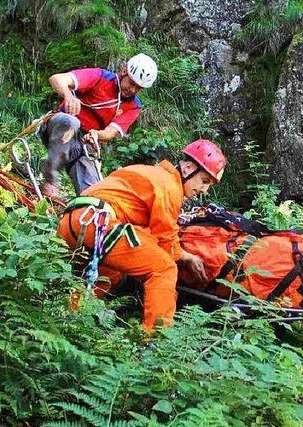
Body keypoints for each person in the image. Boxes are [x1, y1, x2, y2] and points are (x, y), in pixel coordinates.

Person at [57, 139, 227, 332]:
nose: (204, 190)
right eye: (204, 181)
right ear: (188, 168)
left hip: (72, 222)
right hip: (98, 225)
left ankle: (70, 317)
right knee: (164, 268)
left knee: (111, 272)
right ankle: (156, 338)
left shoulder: (150, 173)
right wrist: (187, 257)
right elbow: (165, 239)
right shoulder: (169, 186)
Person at [41, 53, 158, 197]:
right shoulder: (100, 77)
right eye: (132, 83)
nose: (133, 90)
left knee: (93, 194)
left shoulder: (134, 106)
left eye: (138, 88)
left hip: (83, 143)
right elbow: (57, 79)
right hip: (58, 127)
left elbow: (111, 131)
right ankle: (50, 180)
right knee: (72, 122)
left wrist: (97, 134)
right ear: (124, 71)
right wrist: (68, 95)